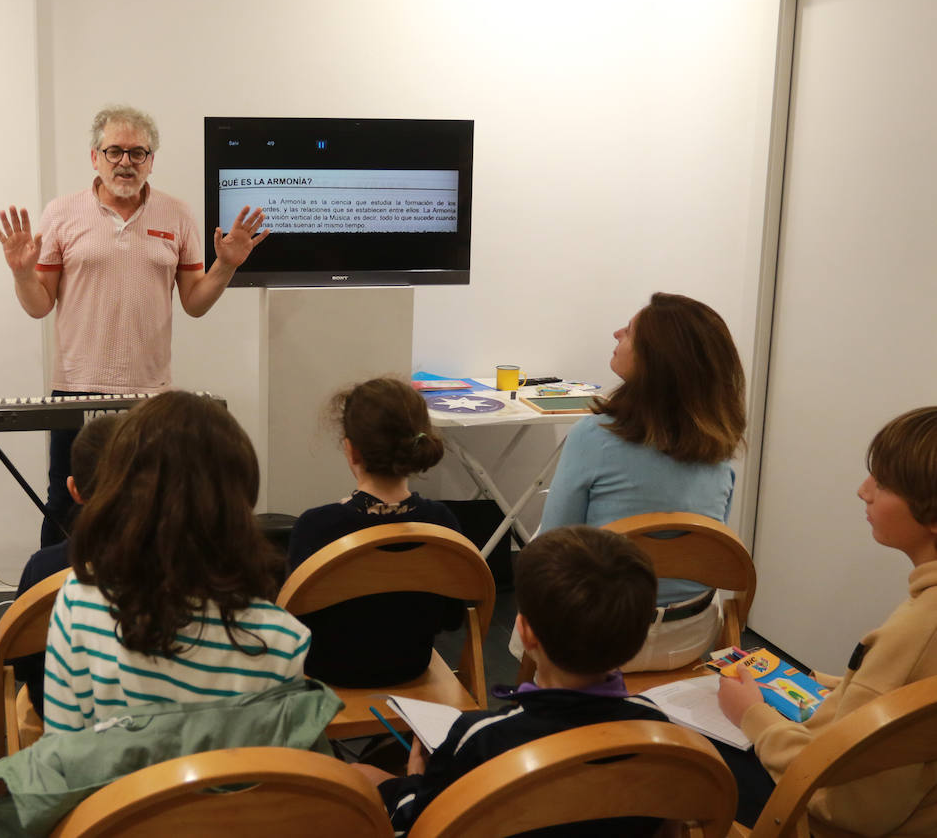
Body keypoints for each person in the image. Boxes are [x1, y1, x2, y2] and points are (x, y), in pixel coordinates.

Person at [0, 104, 268, 547]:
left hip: (150, 394)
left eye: (138, 153)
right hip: (76, 389)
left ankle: (148, 603)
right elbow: (39, 305)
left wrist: (226, 267)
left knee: (153, 501)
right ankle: (53, 602)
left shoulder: (177, 215)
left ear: (151, 160)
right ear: (95, 157)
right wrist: (23, 273)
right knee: (67, 504)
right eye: (115, 151)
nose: (126, 162)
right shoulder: (61, 213)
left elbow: (195, 302)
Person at [355, 525, 668, 835]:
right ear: (638, 641)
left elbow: (423, 826)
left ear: (526, 632)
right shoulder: (659, 730)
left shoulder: (482, 740)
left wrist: (413, 780)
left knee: (358, 778)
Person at [718, 406, 937, 834]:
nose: (863, 490)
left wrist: (752, 716)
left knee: (676, 757)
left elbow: (844, 802)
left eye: (884, 483)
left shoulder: (918, 629)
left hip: (824, 817)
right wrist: (833, 683)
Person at [41, 390, 310, 733]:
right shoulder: (282, 641)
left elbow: (62, 756)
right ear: (241, 497)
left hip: (114, 790)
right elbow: (278, 778)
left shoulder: (78, 601)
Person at [536, 292, 746, 671]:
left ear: (655, 358)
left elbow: (553, 542)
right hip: (690, 638)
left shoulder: (594, 435)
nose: (617, 333)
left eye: (629, 332)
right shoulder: (719, 448)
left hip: (598, 639)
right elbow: (712, 546)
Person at [285, 376, 465, 686]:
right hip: (411, 668)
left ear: (351, 451)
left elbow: (294, 622)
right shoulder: (442, 523)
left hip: (326, 674)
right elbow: (452, 618)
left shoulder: (316, 527)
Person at [11, 412, 121, 716]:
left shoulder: (44, 567)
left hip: (60, 721)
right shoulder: (181, 568)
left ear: (74, 490)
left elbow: (19, 662)